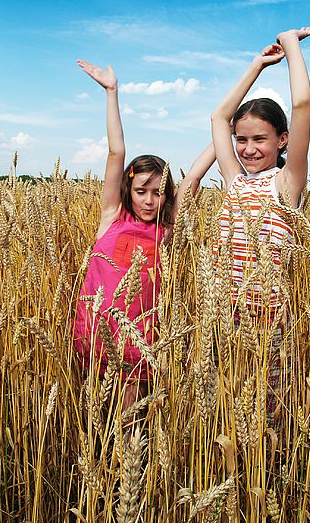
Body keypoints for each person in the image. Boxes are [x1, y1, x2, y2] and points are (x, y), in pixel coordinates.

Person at [73, 59, 215, 410]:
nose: (150, 200)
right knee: (94, 416)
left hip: (140, 337)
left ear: (167, 193)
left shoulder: (166, 231)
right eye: (141, 191)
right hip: (95, 330)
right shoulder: (112, 216)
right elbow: (116, 151)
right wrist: (112, 92)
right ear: (128, 189)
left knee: (129, 418)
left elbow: (194, 176)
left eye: (158, 192)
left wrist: (222, 129)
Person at [211, 27, 310, 416]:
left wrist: (290, 48)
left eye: (260, 139)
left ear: (283, 140)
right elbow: (219, 116)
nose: (248, 149)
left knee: (264, 417)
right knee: (220, 412)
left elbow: (303, 104)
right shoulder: (234, 181)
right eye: (242, 139)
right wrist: (257, 65)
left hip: (267, 322)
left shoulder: (286, 185)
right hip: (221, 315)